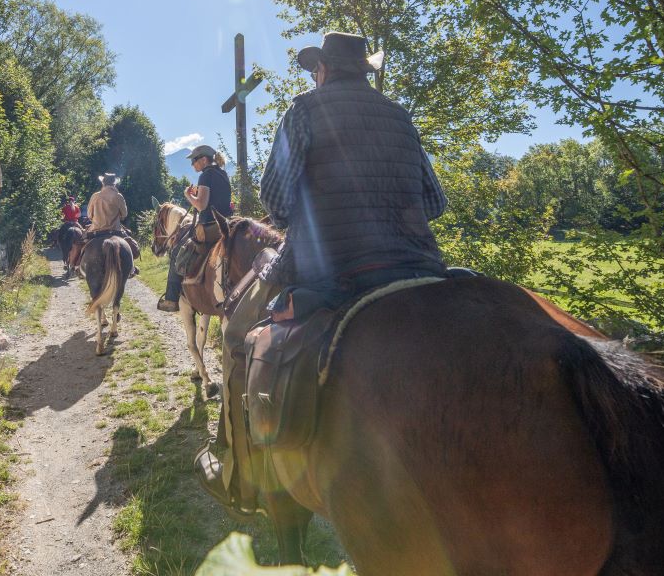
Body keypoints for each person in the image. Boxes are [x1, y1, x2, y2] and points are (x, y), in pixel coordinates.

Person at [197, 31, 448, 513]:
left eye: (316, 70)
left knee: (234, 336)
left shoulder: (305, 111)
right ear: (365, 72)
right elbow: (435, 203)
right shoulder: (399, 115)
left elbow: (276, 201)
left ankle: (238, 475)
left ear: (324, 70)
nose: (315, 76)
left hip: (330, 268)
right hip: (416, 264)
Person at [157, 144, 233, 312]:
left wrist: (188, 195)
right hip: (226, 224)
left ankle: (171, 300)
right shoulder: (223, 174)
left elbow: (201, 205)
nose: (192, 165)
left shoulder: (206, 175)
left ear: (204, 159)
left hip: (210, 227)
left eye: (194, 160)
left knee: (177, 252)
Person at [85, 173, 139, 275]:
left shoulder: (95, 196)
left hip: (96, 230)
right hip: (115, 230)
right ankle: (131, 268)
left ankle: (79, 266)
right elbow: (124, 214)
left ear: (103, 183)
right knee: (130, 244)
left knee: (82, 244)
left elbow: (89, 215)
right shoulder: (118, 196)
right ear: (114, 184)